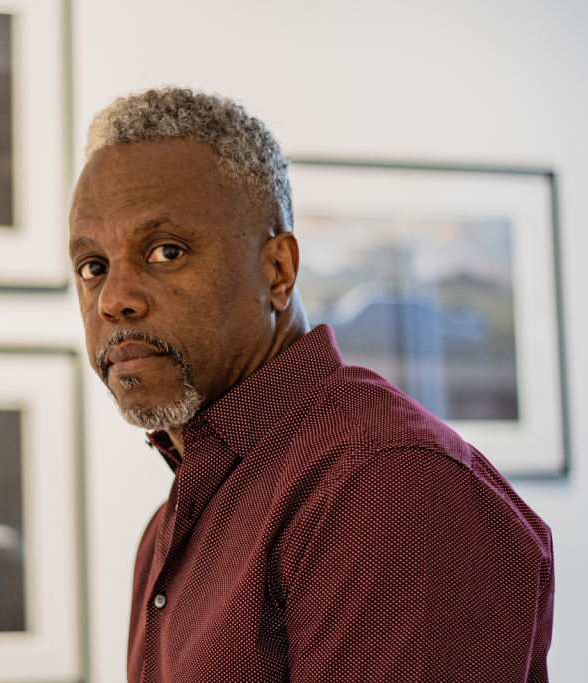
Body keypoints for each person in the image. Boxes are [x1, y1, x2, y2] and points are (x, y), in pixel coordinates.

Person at [69, 87, 553, 683]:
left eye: (166, 252)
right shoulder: (176, 523)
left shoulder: (385, 480)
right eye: (93, 267)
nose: (115, 299)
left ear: (278, 271)